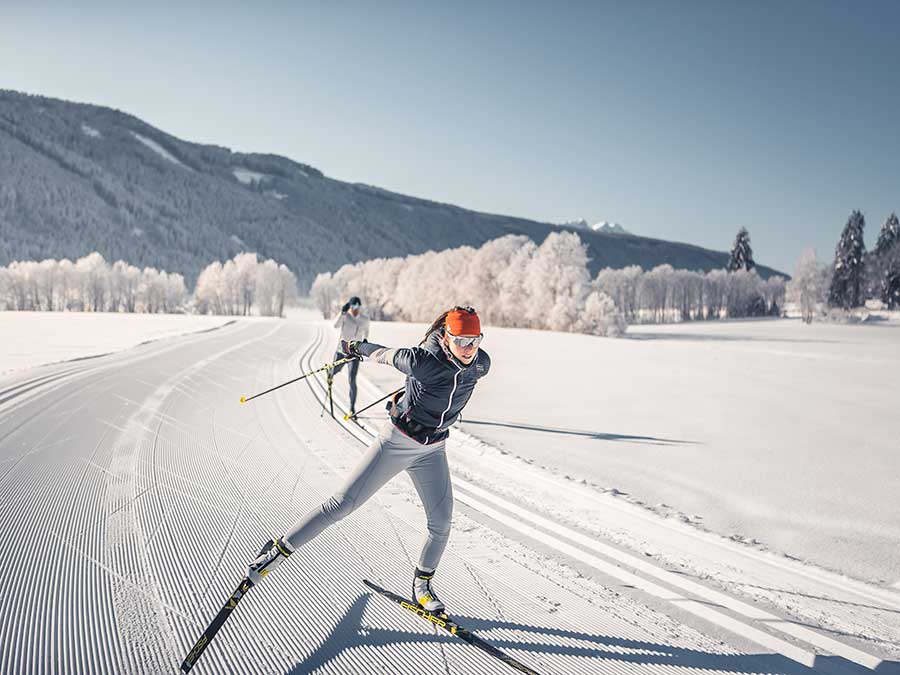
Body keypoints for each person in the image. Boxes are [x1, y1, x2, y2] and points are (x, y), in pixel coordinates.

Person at [247, 306, 490, 614]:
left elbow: (453, 385)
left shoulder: (481, 364)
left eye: (475, 340)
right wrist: (354, 347)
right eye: (461, 341)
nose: (469, 349)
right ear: (445, 337)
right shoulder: (422, 361)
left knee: (441, 523)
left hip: (433, 450)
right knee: (342, 505)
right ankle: (277, 551)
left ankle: (422, 586)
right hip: (398, 442)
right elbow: (384, 354)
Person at [330, 296, 369, 414]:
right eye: (353, 307)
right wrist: (341, 313)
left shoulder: (364, 319)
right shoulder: (345, 316)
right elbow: (335, 325)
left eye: (357, 307)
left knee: (352, 379)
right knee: (334, 371)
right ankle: (330, 374)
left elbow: (367, 331)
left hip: (354, 353)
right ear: (350, 307)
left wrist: (366, 340)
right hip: (341, 350)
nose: (355, 309)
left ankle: (352, 407)